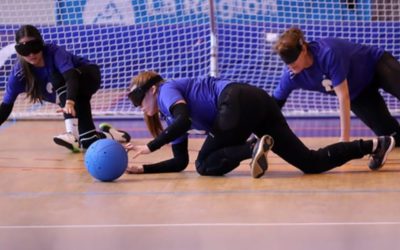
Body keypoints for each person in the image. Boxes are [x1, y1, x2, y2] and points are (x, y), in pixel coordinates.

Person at [124, 71, 394, 178]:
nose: (141, 108)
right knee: (310, 163)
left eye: (140, 101)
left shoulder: (166, 90)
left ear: (152, 90)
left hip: (234, 100)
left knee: (205, 165)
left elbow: (183, 120)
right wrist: (144, 169)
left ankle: (252, 147)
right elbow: (179, 161)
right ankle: (374, 144)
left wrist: (150, 145)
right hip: (257, 101)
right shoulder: (169, 117)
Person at [0, 24, 130, 152]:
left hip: (87, 77)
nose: (31, 54)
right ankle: (113, 135)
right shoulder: (19, 74)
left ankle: (70, 133)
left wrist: (69, 102)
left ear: (41, 44)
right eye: (25, 50)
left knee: (57, 77)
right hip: (75, 96)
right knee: (87, 141)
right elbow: (5, 107)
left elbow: (71, 76)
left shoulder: (54, 52)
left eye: (35, 47)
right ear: (18, 51)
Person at [273, 26, 400, 147]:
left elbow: (343, 97)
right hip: (358, 93)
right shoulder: (290, 77)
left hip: (376, 65)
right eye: (288, 64)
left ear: (304, 49)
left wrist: (344, 140)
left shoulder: (328, 53)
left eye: (294, 61)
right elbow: (274, 105)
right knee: (394, 137)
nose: (291, 67)